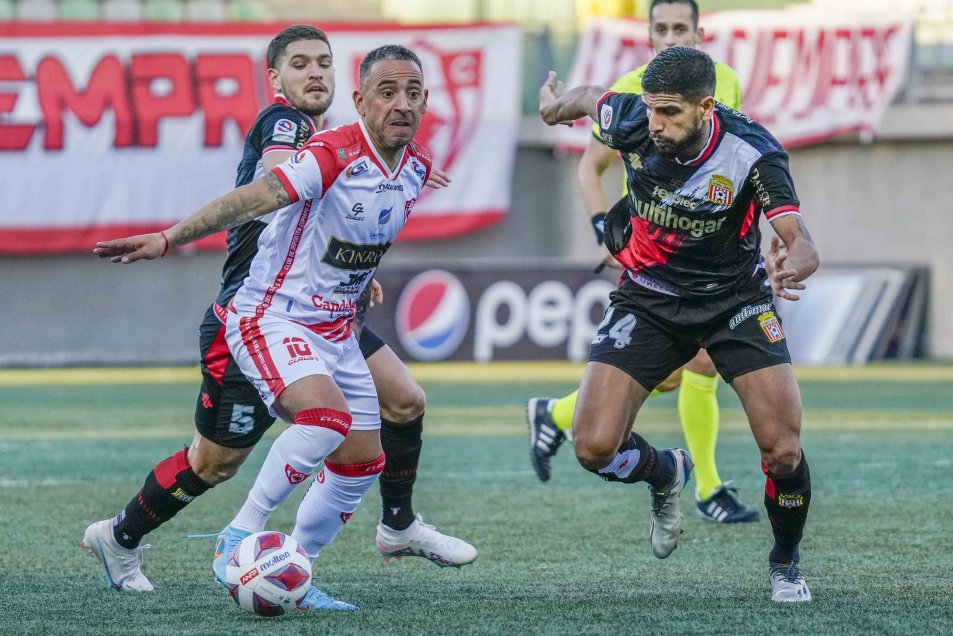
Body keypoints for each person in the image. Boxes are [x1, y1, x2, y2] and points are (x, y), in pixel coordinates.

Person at [87, 39, 474, 609]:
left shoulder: (414, 167)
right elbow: (257, 195)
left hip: (335, 327)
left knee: (364, 457)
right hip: (271, 316)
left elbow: (355, 233)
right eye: (388, 92)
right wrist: (168, 238)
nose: (402, 104)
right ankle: (236, 536)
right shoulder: (319, 145)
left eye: (413, 93)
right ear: (361, 100)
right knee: (300, 429)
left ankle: (298, 570)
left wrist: (359, 277)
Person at [539, 46, 819, 602]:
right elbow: (589, 97)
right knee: (592, 447)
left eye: (669, 112)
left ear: (706, 107)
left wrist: (796, 261)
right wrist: (553, 108)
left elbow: (801, 239)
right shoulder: (632, 118)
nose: (655, 124)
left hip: (734, 303)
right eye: (650, 109)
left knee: (783, 451)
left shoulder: (752, 152)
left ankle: (785, 562)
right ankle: (665, 471)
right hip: (648, 297)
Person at [527, 0, 758, 526]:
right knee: (699, 363)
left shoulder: (725, 82)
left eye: (680, 28)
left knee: (674, 375)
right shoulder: (632, 89)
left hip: (710, 258)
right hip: (655, 255)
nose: (671, 36)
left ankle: (557, 413)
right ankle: (708, 486)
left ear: (699, 34)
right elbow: (590, 169)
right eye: (661, 29)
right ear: (648, 35)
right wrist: (602, 233)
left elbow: (735, 165)